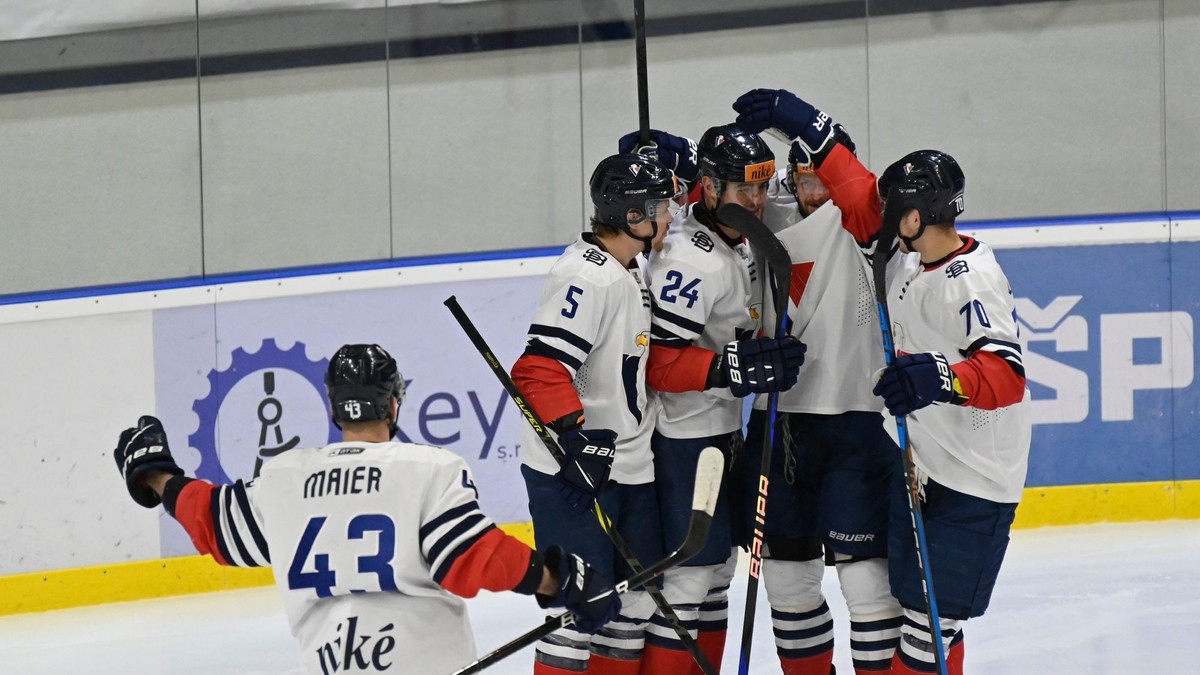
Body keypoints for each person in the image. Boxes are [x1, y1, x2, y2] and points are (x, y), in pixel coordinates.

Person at [113, 343, 620, 675]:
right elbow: (469, 557)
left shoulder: (284, 478)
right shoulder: (429, 468)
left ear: (334, 408)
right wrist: (561, 579)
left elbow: (213, 522)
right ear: (394, 403)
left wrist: (157, 475)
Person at [730, 88, 904, 675]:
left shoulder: (864, 221)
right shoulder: (766, 210)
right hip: (778, 426)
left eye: (822, 177)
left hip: (853, 424)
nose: (813, 192)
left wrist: (802, 118)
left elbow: (857, 192)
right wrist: (669, 164)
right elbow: (709, 209)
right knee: (786, 582)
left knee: (866, 586)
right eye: (801, 179)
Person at [631, 124, 807, 673]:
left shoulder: (738, 241)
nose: (756, 201)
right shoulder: (690, 260)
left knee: (716, 579)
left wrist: (757, 354)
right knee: (687, 581)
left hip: (723, 430)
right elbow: (656, 364)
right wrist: (733, 367)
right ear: (707, 187)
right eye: (742, 190)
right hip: (685, 437)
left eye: (761, 187)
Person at [509, 153, 678, 675]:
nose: (670, 216)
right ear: (632, 217)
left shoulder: (630, 271)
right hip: (575, 475)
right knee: (581, 613)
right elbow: (538, 370)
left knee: (635, 607)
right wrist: (575, 439)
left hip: (629, 464)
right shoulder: (587, 276)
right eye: (660, 207)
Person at [869, 149, 1030, 675]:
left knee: (928, 627)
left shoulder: (969, 280)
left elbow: (1006, 376)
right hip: (928, 470)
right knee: (922, 616)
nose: (883, 216)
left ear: (914, 217)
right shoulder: (914, 263)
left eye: (892, 208)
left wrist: (940, 377)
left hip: (974, 481)